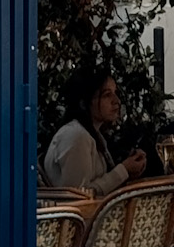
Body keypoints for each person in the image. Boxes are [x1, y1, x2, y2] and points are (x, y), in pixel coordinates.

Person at [42, 65, 147, 197]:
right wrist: (123, 170)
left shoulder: (92, 134)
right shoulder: (76, 136)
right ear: (84, 103)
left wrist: (128, 171)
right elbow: (78, 195)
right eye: (107, 95)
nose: (116, 101)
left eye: (115, 93)